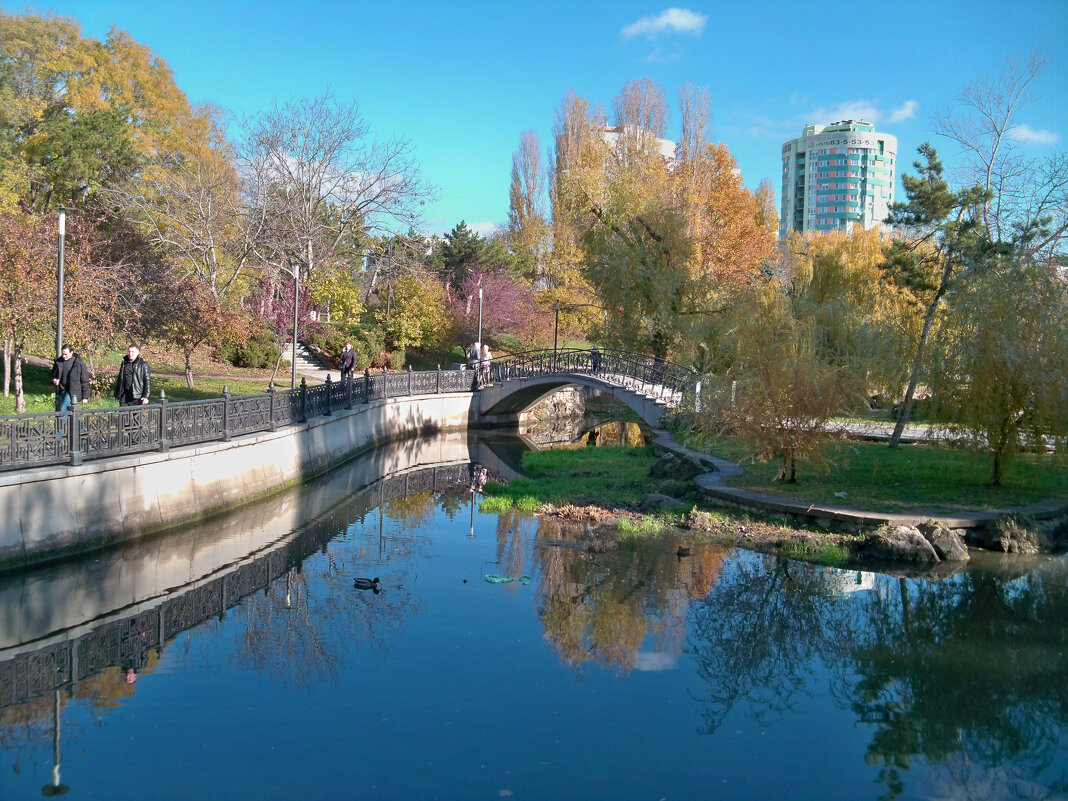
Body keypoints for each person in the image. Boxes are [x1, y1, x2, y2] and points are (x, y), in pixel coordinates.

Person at [50, 344, 91, 411]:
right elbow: (53, 374)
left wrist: (85, 397)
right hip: (61, 390)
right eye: (63, 354)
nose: (63, 356)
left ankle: (63, 421)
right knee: (59, 409)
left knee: (63, 408)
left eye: (66, 354)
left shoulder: (78, 363)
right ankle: (65, 421)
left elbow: (84, 380)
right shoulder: (59, 362)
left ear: (71, 352)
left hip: (72, 391)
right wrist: (54, 379)